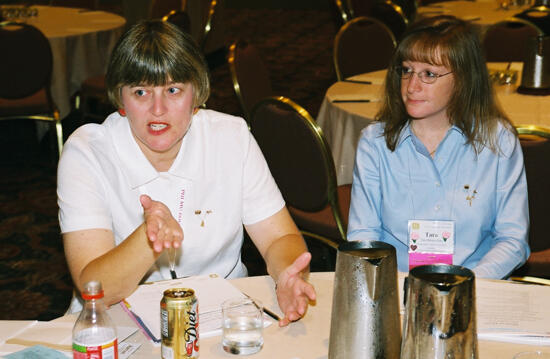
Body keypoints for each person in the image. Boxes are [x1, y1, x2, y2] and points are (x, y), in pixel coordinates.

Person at [57, 20, 315, 326]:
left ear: (197, 94)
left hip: (221, 318)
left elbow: (279, 237)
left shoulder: (231, 137)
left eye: (173, 89)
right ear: (120, 99)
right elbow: (93, 289)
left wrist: (288, 274)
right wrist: (148, 240)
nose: (158, 109)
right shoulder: (88, 152)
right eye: (140, 91)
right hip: (117, 323)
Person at [347, 15, 530, 279]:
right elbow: (363, 239)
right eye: (407, 70)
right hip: (398, 289)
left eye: (429, 74)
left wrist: (462, 287)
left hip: (478, 287)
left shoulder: (497, 141)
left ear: (463, 79)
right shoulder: (375, 144)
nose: (412, 86)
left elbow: (512, 240)